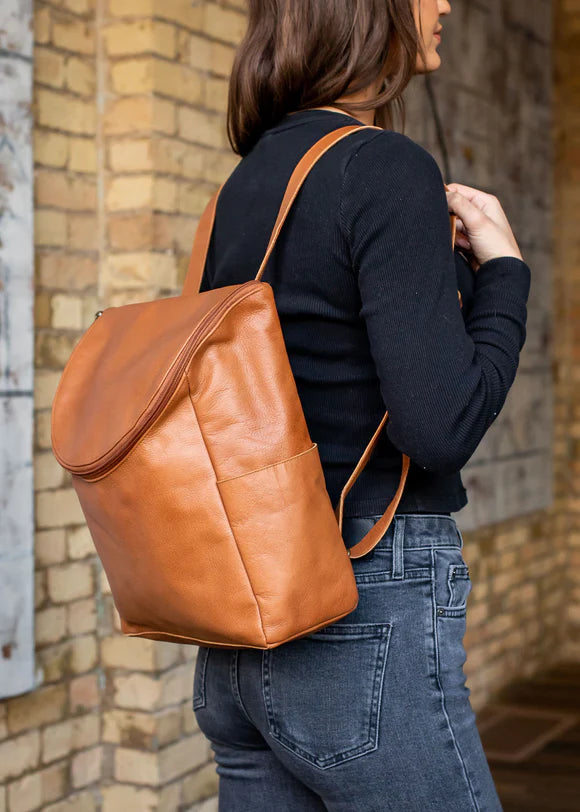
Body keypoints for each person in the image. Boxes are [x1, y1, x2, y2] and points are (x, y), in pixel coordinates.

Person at [193, 0, 529, 808]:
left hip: (239, 624)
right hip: (361, 602)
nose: (445, 4)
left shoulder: (245, 184)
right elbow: (440, 425)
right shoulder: (383, 167)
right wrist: (505, 272)